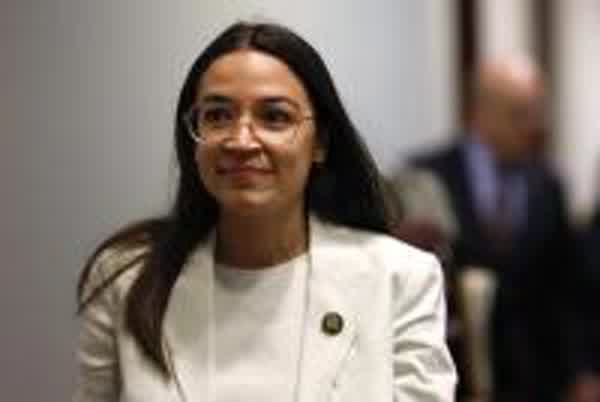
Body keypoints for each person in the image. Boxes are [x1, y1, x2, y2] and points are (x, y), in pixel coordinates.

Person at [73, 22, 456, 402]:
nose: (241, 141)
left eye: (274, 117)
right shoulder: (128, 276)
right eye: (218, 115)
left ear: (320, 142)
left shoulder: (400, 279)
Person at [411, 57, 574, 402]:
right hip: (455, 373)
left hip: (535, 380)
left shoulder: (548, 184)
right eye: (519, 113)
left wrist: (577, 372)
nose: (533, 125)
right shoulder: (428, 179)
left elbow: (565, 288)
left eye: (537, 112)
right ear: (481, 112)